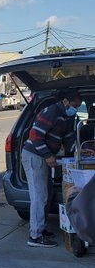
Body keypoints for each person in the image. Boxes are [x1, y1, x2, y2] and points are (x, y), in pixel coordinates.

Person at [21, 89, 82, 248]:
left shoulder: (67, 116)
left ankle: (40, 228)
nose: (75, 109)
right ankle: (35, 236)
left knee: (46, 194)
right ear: (66, 101)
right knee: (39, 196)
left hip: (43, 157)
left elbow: (68, 137)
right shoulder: (52, 112)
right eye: (75, 105)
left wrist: (79, 150)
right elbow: (35, 136)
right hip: (35, 156)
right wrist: (48, 155)